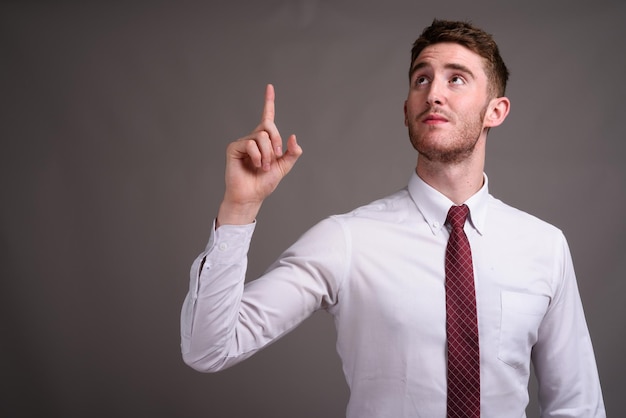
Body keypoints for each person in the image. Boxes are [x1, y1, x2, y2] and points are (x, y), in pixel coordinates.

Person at [180, 19, 605, 417]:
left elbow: (578, 405)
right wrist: (239, 208)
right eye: (422, 79)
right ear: (407, 111)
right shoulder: (346, 240)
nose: (433, 93)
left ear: (496, 111)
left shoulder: (544, 246)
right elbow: (209, 349)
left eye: (456, 79)